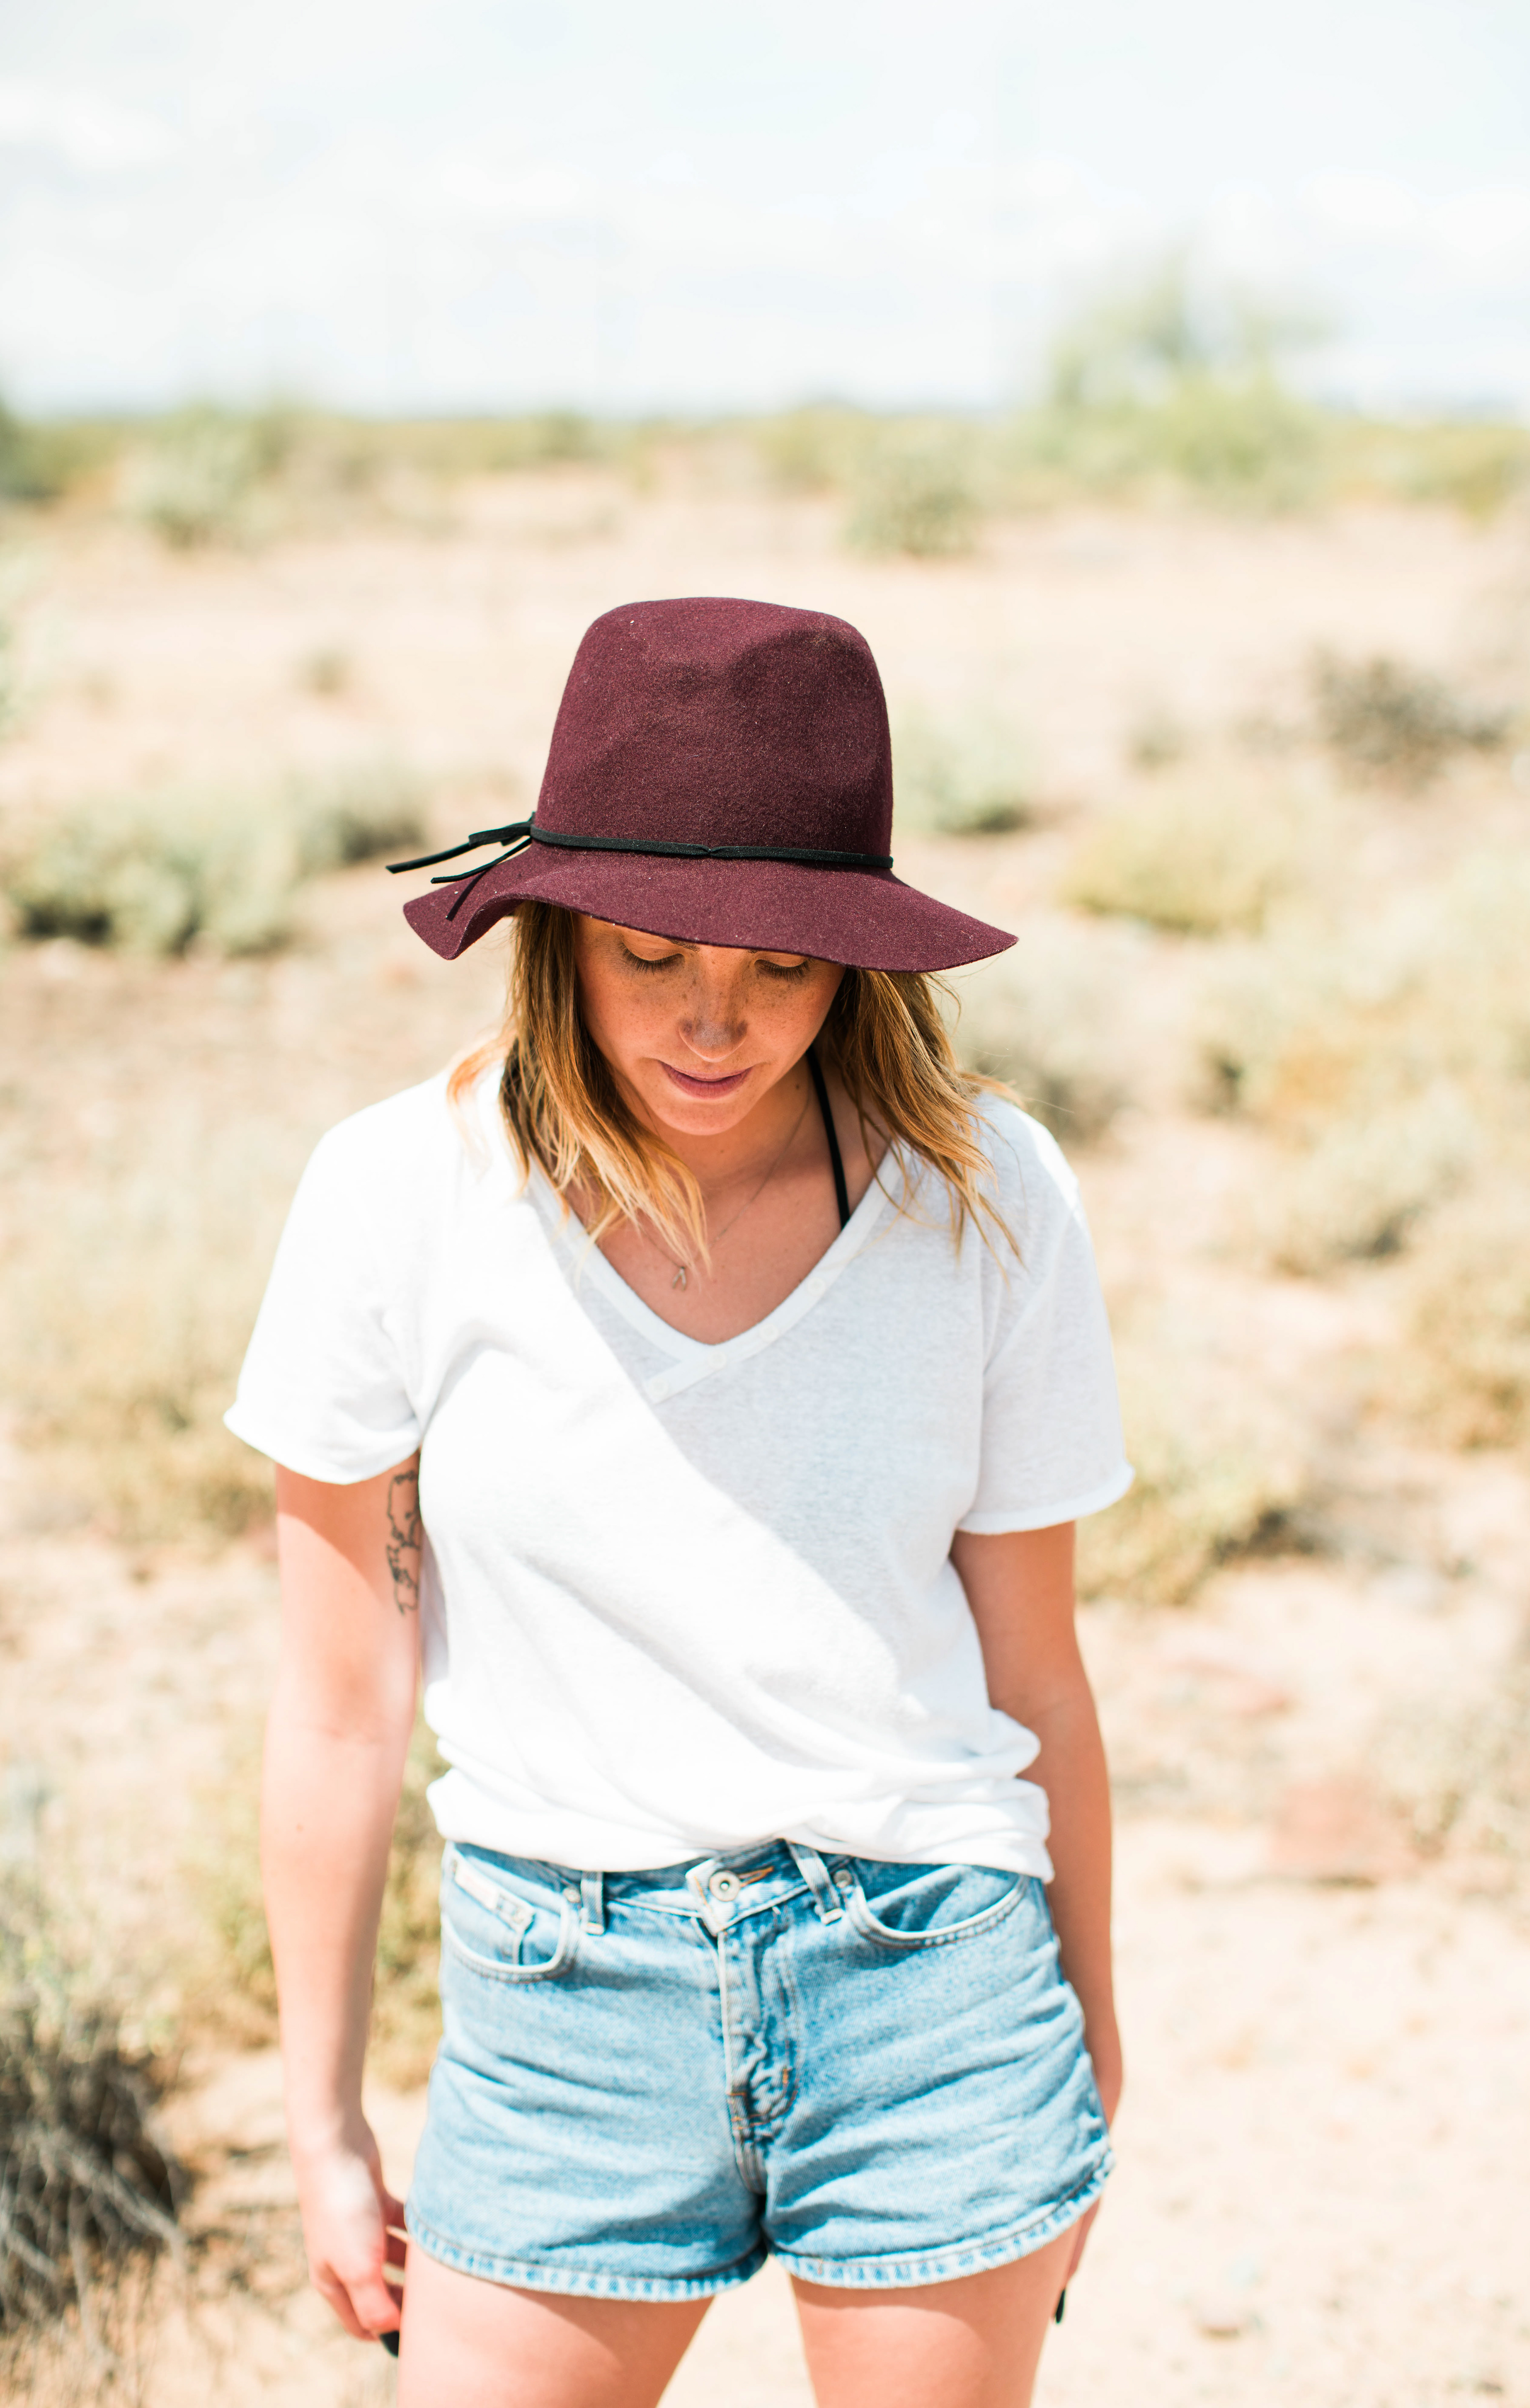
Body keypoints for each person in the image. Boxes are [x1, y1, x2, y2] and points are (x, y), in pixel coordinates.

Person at [228, 596, 1132, 2408]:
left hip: (934, 1984)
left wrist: (1093, 2055)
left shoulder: (986, 1195)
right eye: (651, 957)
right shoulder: (399, 1195)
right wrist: (319, 2120)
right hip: (563, 2005)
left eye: (782, 967)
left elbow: (1037, 1671)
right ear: (555, 934)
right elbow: (338, 1708)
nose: (716, 1024)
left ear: (857, 962)